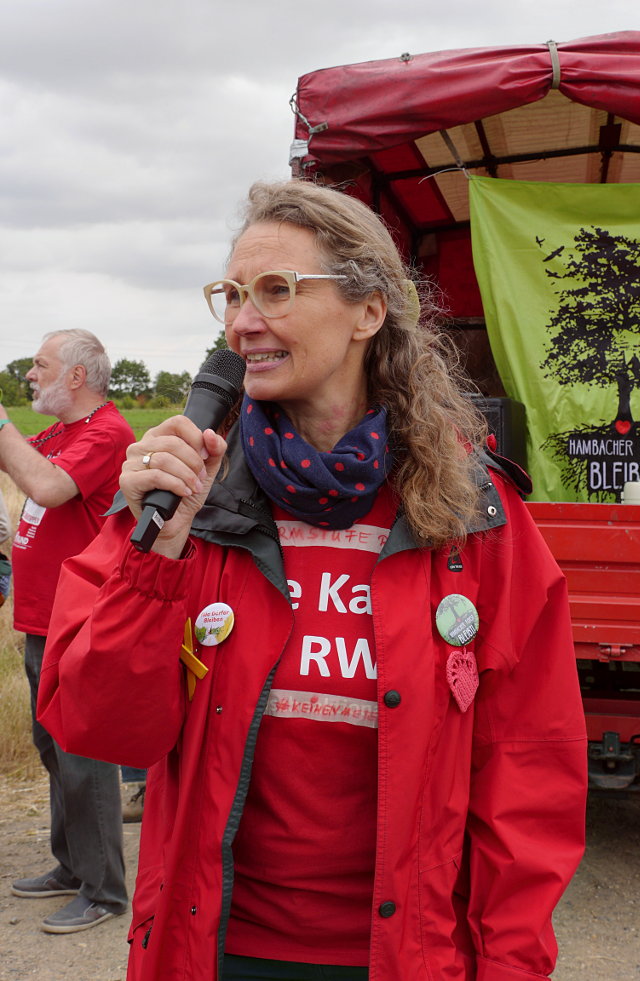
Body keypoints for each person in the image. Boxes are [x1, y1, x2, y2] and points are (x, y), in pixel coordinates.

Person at [38, 182, 587, 980]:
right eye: (231, 295)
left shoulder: (475, 516)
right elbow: (100, 730)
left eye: (277, 290)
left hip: (403, 956)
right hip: (218, 949)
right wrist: (153, 563)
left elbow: (529, 774)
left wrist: (509, 964)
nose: (241, 321)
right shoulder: (182, 499)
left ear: (368, 312)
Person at [0, 329, 133, 933]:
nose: (29, 374)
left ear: (76, 377)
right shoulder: (60, 432)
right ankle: (69, 866)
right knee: (54, 750)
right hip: (40, 619)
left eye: (40, 365)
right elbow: (26, 469)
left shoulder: (107, 433)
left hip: (79, 620)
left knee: (84, 757)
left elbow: (49, 487)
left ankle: (104, 891)